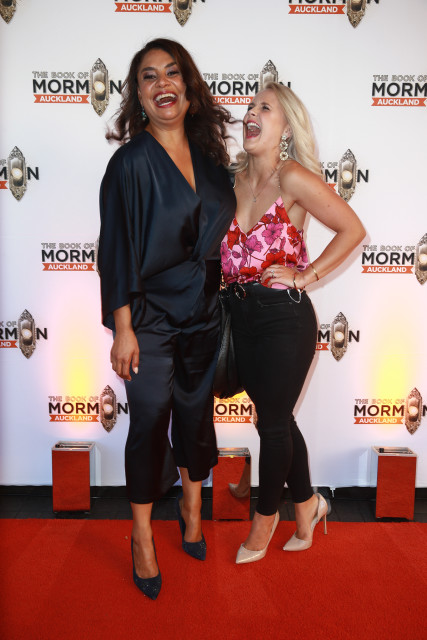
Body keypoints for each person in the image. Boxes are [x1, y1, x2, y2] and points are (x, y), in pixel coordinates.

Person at [98, 38, 236, 597]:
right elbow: (116, 251)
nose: (162, 84)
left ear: (188, 86)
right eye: (149, 76)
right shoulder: (129, 164)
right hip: (150, 318)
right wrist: (123, 328)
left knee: (197, 416)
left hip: (204, 312)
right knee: (151, 422)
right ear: (139, 94)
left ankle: (191, 508)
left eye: (172, 72)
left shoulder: (213, 162)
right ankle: (141, 535)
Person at [220, 82, 365, 564]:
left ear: (285, 129)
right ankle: (308, 507)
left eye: (265, 108)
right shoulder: (230, 180)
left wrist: (306, 275)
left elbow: (353, 229)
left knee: (273, 425)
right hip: (240, 320)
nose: (251, 113)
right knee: (276, 419)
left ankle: (265, 520)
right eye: (250, 105)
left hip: (284, 320)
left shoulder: (292, 178)